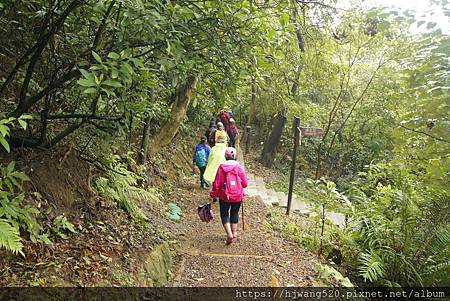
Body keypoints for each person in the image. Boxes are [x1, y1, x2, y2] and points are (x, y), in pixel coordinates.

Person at [210, 147, 248, 245]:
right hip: (237, 196)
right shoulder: (239, 167)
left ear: (225, 156)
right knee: (234, 213)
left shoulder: (222, 167)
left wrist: (213, 194)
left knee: (225, 214)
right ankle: (234, 232)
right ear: (235, 156)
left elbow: (217, 184)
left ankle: (229, 234)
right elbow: (245, 183)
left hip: (224, 196)